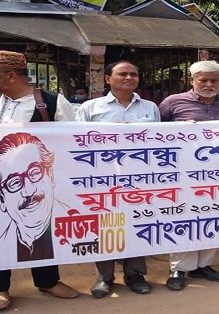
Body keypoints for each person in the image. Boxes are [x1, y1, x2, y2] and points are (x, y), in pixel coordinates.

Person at [0, 50, 78, 311]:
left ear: (10, 76)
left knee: (40, 228)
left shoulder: (51, 102)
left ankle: (48, 281)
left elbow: (73, 141)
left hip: (38, 181)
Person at [76, 60, 158, 297]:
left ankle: (135, 274)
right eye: (123, 74)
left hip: (140, 178)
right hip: (103, 178)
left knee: (138, 222)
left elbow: (159, 140)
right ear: (108, 79)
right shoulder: (91, 108)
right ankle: (104, 276)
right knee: (106, 225)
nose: (129, 78)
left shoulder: (150, 107)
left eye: (133, 74)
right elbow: (77, 140)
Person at [158, 60, 219, 290]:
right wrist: (178, 130)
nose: (209, 84)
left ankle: (204, 265)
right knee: (184, 219)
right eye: (203, 80)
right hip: (183, 175)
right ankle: (179, 269)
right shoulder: (172, 102)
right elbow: (153, 134)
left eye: (214, 80)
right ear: (192, 80)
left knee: (215, 217)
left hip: (217, 174)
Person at [0, 133, 57, 266]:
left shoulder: (79, 226)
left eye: (35, 172)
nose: (29, 191)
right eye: (15, 182)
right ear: (1, 199)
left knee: (47, 276)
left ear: (51, 176)